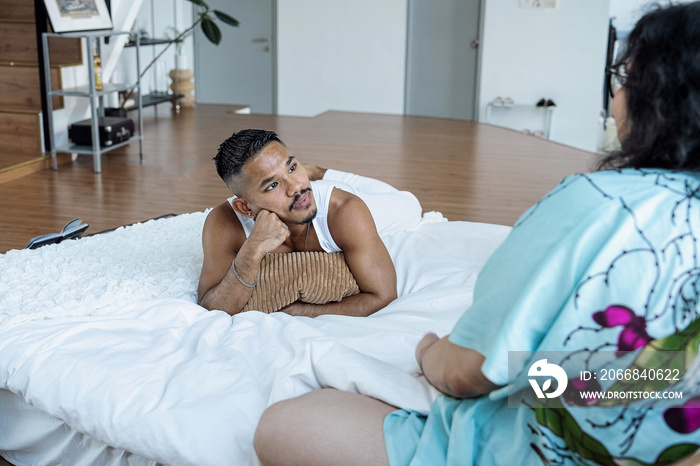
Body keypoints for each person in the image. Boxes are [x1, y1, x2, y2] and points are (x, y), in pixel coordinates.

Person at [253, 3, 700, 465]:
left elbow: (463, 372)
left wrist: (430, 352)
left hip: (537, 440)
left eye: (624, 76)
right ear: (246, 203)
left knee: (283, 428)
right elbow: (656, 376)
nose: (614, 91)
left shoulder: (596, 203)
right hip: (646, 405)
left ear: (659, 94)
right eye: (273, 183)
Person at [198, 129, 421, 317]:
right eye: (272, 185)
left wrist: (302, 311)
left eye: (292, 167)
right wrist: (252, 248)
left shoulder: (345, 211)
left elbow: (383, 297)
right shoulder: (223, 223)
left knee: (411, 207)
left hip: (343, 202)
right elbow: (212, 307)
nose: (295, 186)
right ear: (245, 208)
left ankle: (321, 173)